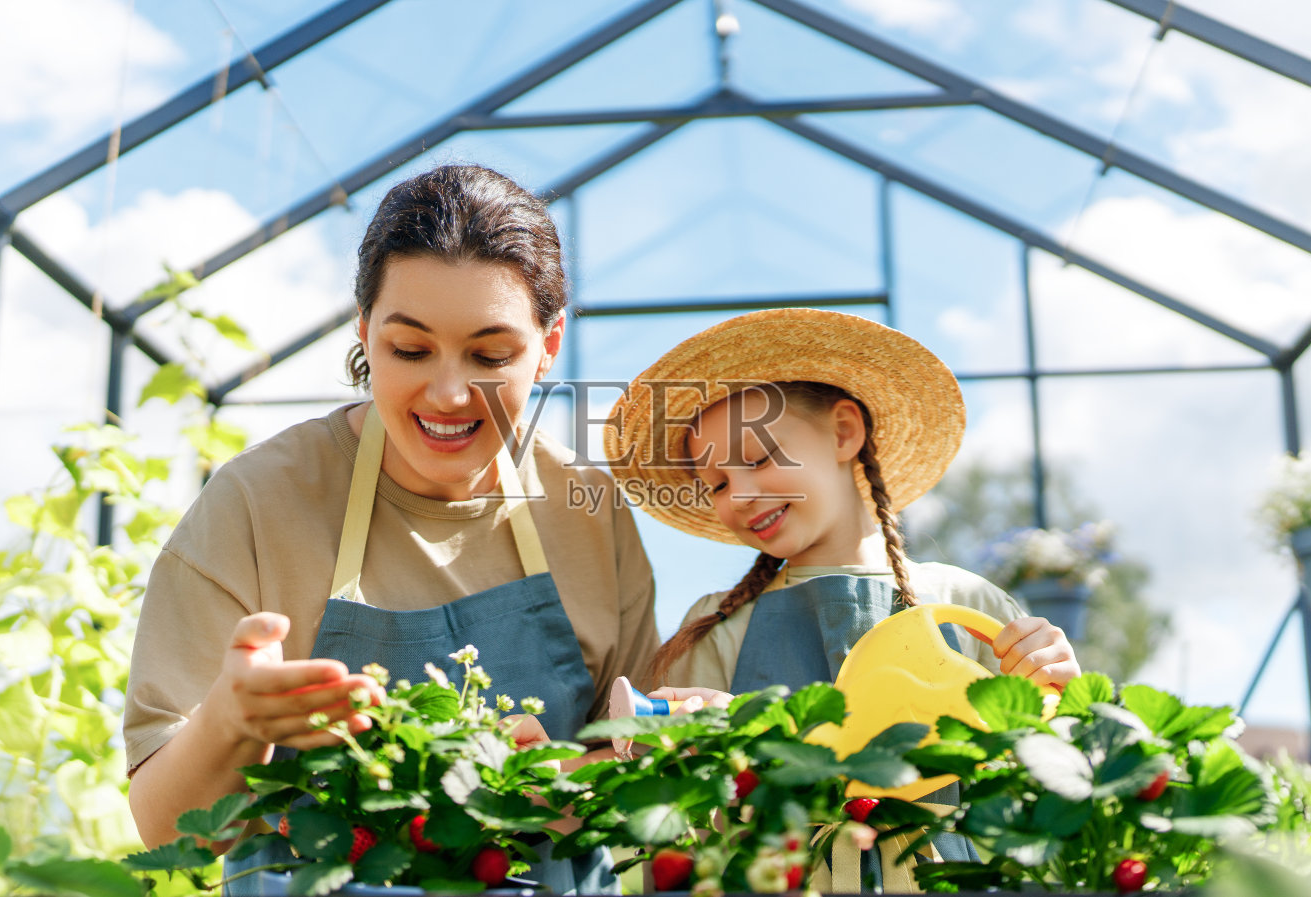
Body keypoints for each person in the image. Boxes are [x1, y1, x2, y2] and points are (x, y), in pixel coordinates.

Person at [124, 164, 659, 895]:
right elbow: (167, 827)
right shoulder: (256, 503)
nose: (447, 392)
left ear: (549, 343)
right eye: (410, 348)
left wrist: (555, 780)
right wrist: (230, 718)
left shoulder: (590, 514)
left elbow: (645, 786)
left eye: (491, 355)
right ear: (364, 331)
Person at [602, 308, 1081, 874]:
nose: (743, 494)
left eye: (759, 458)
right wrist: (705, 748)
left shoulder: (967, 603)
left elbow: (1051, 778)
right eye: (719, 483)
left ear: (844, 431)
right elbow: (685, 821)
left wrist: (1056, 692)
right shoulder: (715, 626)